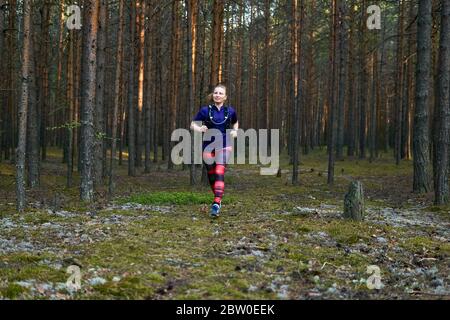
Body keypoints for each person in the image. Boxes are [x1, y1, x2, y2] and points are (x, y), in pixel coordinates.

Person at [190, 84, 239, 218]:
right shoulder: (205, 110)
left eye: (220, 93)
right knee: (212, 176)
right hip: (208, 146)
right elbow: (192, 124)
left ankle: (216, 203)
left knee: (219, 171)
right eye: (215, 93)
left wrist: (235, 131)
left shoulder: (230, 111)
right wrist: (199, 129)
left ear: (225, 97)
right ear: (213, 95)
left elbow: (235, 122)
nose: (217, 95)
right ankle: (218, 197)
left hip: (224, 145)